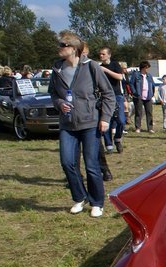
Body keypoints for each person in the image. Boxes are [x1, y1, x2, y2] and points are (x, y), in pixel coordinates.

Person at [49, 31, 115, 218]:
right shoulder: (57, 68)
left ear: (73, 49)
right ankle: (79, 197)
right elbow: (53, 94)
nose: (59, 48)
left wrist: (105, 118)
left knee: (92, 165)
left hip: (90, 122)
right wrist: (59, 103)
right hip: (67, 124)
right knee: (67, 162)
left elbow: (109, 94)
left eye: (63, 45)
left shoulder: (91, 66)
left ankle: (97, 202)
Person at [98, 47, 127, 153]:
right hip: (104, 97)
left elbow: (120, 77)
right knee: (106, 121)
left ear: (109, 55)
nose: (101, 56)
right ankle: (108, 144)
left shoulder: (115, 65)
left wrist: (106, 70)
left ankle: (118, 139)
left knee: (121, 120)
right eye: (100, 54)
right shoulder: (98, 67)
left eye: (103, 54)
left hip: (117, 95)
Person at [130, 60, 155, 133]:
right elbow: (131, 84)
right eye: (146, 67)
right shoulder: (136, 75)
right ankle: (138, 127)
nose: (147, 69)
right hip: (139, 96)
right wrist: (135, 92)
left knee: (149, 112)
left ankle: (150, 128)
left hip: (148, 96)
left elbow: (152, 85)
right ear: (143, 67)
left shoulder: (149, 76)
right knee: (138, 112)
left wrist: (152, 94)